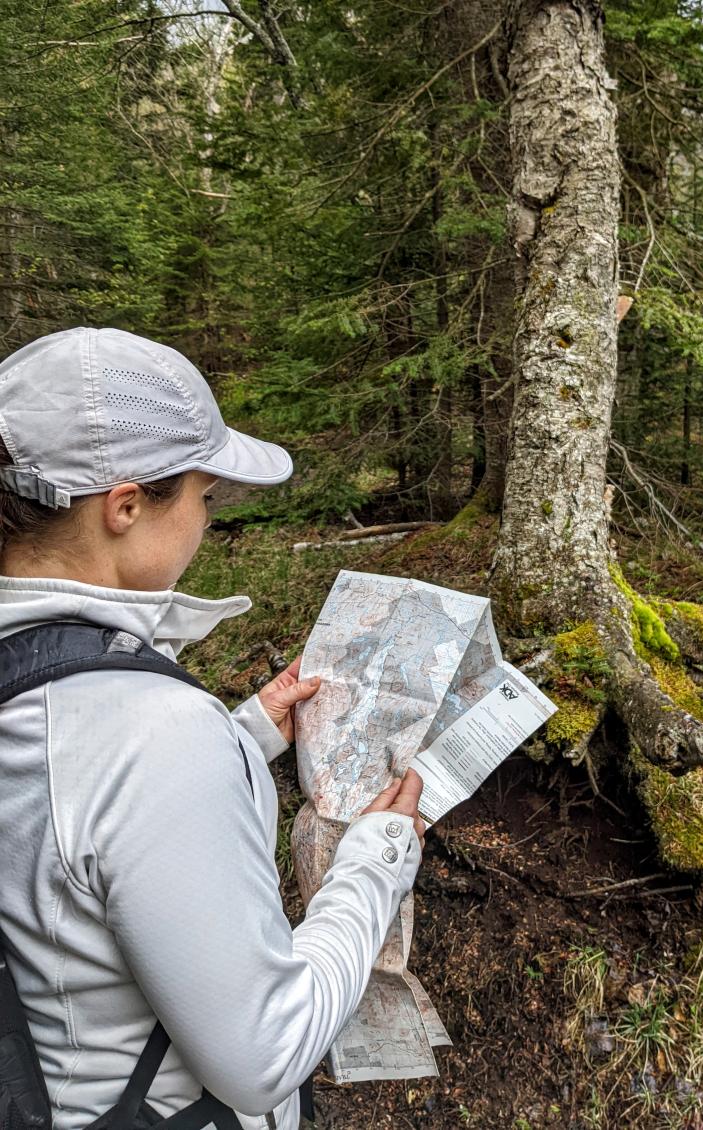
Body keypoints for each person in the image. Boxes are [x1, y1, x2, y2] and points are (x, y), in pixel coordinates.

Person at [0, 327, 425, 1130]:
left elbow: (72, 813)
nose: (206, 516)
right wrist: (377, 861)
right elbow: (265, 1053)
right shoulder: (149, 732)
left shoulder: (51, 688)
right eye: (204, 494)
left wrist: (250, 731)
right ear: (124, 507)